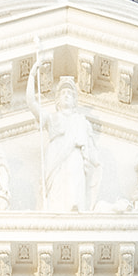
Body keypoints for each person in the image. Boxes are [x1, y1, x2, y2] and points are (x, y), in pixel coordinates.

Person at [26, 67, 102, 213]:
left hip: (74, 154)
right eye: (63, 93)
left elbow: (91, 149)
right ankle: (55, 212)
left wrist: (96, 163)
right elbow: (31, 103)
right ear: (58, 100)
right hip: (55, 157)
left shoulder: (81, 121)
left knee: (74, 177)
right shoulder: (51, 118)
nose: (66, 95)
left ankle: (75, 207)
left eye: (70, 94)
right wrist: (31, 76)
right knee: (57, 187)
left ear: (74, 101)